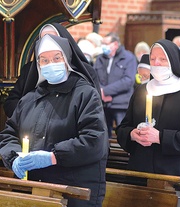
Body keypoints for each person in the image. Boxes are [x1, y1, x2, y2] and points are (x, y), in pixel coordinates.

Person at [0, 34, 109, 207]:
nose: (50, 64)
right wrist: (13, 158)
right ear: (39, 65)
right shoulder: (29, 98)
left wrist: (53, 157)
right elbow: (9, 133)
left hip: (73, 191)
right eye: (44, 60)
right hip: (34, 188)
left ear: (66, 59)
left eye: (56, 58)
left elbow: (94, 141)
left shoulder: (85, 94)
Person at [116, 39, 180, 207]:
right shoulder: (142, 90)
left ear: (173, 61)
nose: (156, 63)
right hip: (141, 170)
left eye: (162, 59)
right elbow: (123, 126)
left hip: (175, 173)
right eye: (152, 59)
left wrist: (160, 137)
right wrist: (132, 134)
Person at [3, 23, 101, 118]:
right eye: (43, 39)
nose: (48, 42)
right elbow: (11, 102)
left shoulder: (85, 71)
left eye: (53, 37)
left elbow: (94, 108)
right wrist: (29, 117)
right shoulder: (29, 71)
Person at [94, 32, 137, 139]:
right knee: (103, 136)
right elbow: (94, 77)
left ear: (116, 44)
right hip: (103, 105)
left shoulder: (128, 58)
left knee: (123, 135)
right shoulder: (100, 59)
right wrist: (101, 92)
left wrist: (106, 91)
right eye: (102, 43)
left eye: (106, 43)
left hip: (121, 104)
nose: (103, 46)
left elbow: (128, 81)